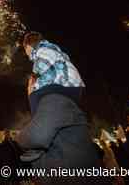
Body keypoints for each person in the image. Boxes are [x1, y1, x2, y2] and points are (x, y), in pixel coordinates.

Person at [16, 32, 103, 185]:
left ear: (28, 46)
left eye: (26, 50)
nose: (28, 55)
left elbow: (36, 136)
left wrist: (19, 138)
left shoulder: (53, 97)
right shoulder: (57, 104)